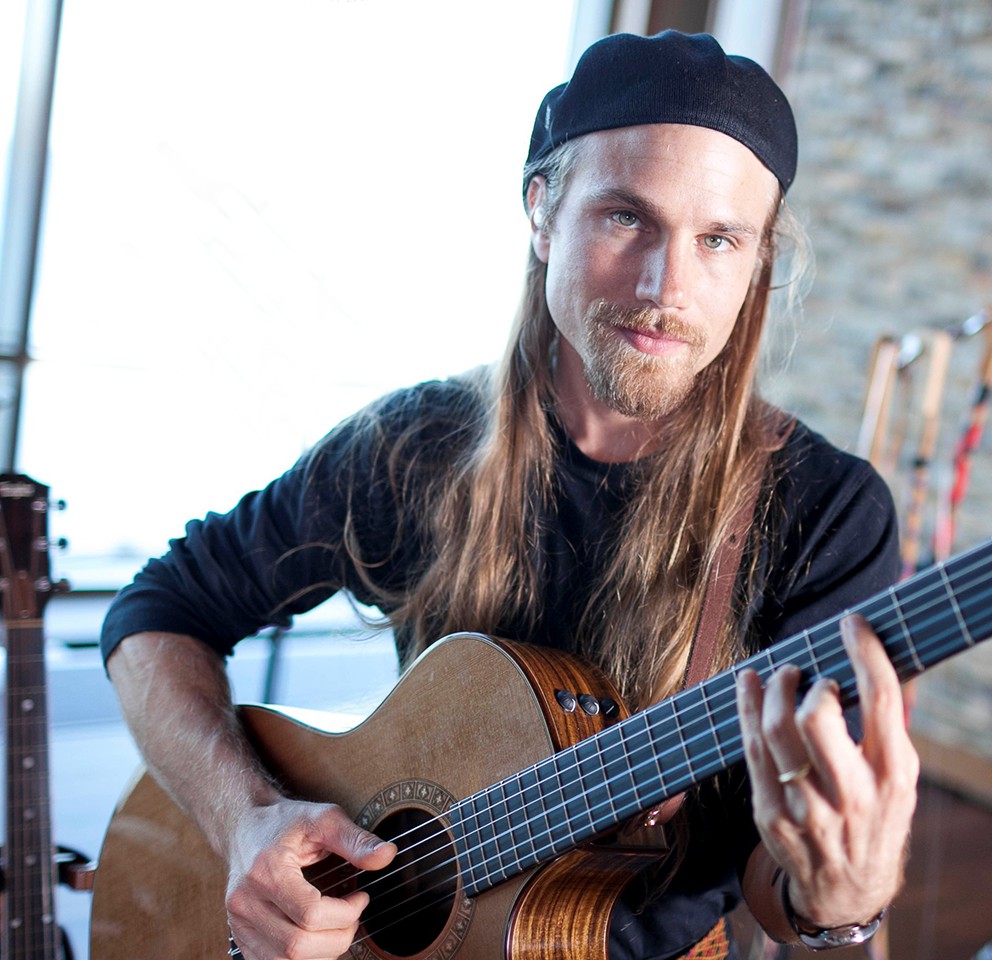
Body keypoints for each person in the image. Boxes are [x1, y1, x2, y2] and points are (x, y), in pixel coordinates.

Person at [102, 30, 918, 960]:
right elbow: (154, 612)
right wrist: (244, 818)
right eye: (626, 218)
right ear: (542, 210)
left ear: (758, 261)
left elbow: (779, 895)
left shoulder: (824, 514)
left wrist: (837, 893)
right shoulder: (416, 446)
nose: (666, 287)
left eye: (718, 239)